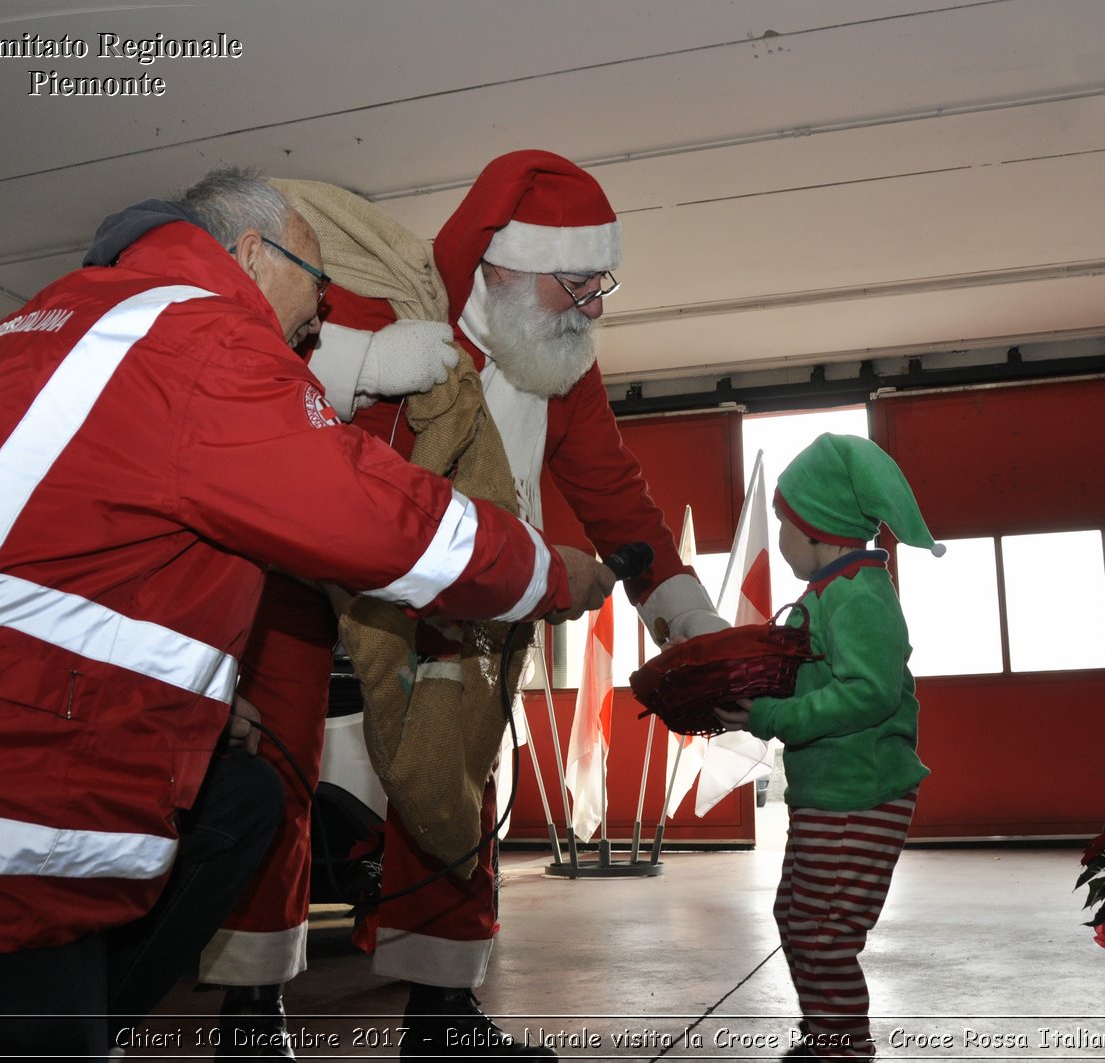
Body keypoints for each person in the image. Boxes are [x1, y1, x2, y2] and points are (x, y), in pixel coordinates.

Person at [0, 167, 612, 1059]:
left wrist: (200, 700)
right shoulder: (202, 340)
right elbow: (393, 525)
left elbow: (40, 555)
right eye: (316, 284)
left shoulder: (38, 326)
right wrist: (549, 573)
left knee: (239, 798)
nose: (321, 315)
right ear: (248, 252)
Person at [199, 151, 729, 1059]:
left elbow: (615, 496)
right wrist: (362, 362)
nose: (595, 306)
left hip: (456, 583)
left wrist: (690, 619)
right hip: (306, 566)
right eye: (577, 284)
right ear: (503, 267)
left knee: (457, 772)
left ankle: (442, 1015)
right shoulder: (383, 310)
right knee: (275, 761)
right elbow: (264, 373)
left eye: (603, 283)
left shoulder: (563, 364)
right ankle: (250, 1012)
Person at [713, 433, 944, 1060]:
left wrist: (769, 714)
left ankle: (841, 1047)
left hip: (861, 793)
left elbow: (868, 695)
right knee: (799, 919)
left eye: (785, 524)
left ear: (820, 531)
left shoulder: (860, 597)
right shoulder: (825, 595)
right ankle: (825, 1034)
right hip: (829, 794)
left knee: (825, 932)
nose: (781, 536)